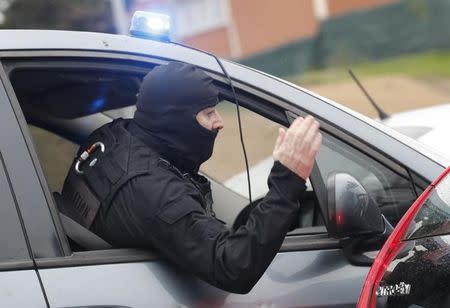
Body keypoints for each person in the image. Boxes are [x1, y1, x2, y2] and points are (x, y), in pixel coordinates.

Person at [61, 62, 322, 294]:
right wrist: (287, 180)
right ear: (174, 120)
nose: (219, 122)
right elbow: (232, 266)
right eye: (208, 113)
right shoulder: (156, 193)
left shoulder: (112, 138)